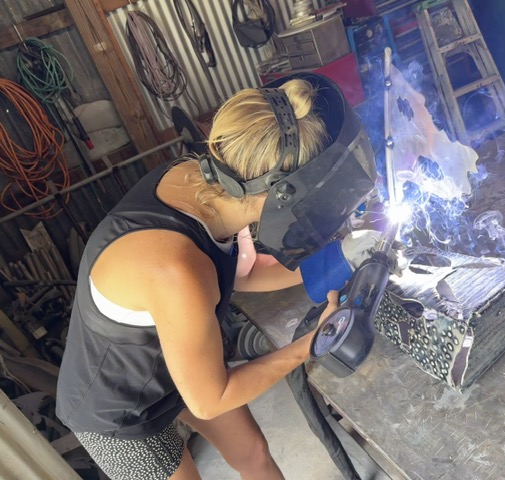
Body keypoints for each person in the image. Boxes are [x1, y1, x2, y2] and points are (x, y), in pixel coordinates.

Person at [55, 73, 381, 480]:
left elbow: (238, 275)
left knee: (253, 452)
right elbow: (211, 399)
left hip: (177, 362)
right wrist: (306, 347)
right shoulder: (177, 270)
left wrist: (338, 257)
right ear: (280, 193)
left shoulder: (205, 182)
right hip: (117, 411)